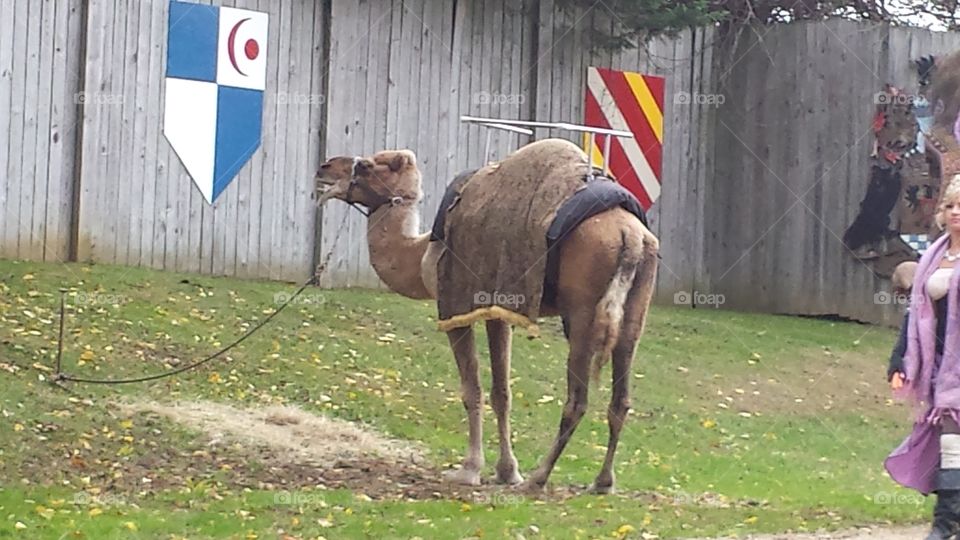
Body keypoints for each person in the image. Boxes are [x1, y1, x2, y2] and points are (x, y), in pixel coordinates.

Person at [887, 176, 960, 540]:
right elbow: (915, 313)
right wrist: (899, 359)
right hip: (942, 366)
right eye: (950, 206)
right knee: (951, 442)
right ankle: (945, 523)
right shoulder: (934, 257)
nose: (956, 212)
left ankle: (946, 523)